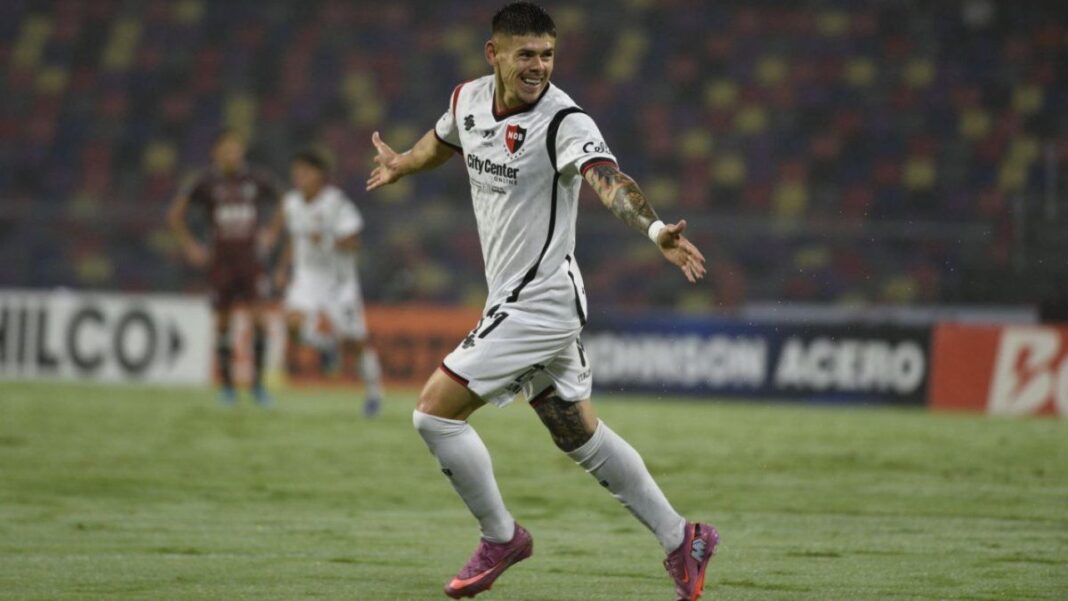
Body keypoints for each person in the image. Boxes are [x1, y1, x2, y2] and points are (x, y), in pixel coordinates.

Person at [366, 3, 714, 599]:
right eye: (526, 54)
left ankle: (501, 536)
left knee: (433, 413)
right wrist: (403, 163)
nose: (538, 67)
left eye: (547, 55)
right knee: (577, 435)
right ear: (493, 53)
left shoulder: (564, 121)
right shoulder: (468, 99)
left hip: (541, 300)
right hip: (527, 296)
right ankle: (684, 539)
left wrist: (656, 232)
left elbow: (609, 180)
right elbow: (445, 138)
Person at [270, 148, 385, 417]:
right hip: (307, 277)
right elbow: (292, 238)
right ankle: (326, 346)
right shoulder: (291, 203)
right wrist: (282, 268)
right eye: (296, 171)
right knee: (293, 325)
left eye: (306, 171)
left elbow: (354, 242)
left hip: (338, 281)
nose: (299, 176)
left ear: (320, 175)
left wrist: (326, 239)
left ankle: (374, 392)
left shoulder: (337, 204)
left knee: (356, 341)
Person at [167, 129, 279, 405]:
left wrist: (271, 234)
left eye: (235, 149)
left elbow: (284, 203)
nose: (231, 154)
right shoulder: (206, 183)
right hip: (221, 263)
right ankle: (228, 387)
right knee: (223, 324)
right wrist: (190, 246)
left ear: (241, 152)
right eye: (225, 150)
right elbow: (175, 214)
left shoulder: (256, 179)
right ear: (216, 153)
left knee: (259, 321)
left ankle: (258, 386)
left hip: (251, 261)